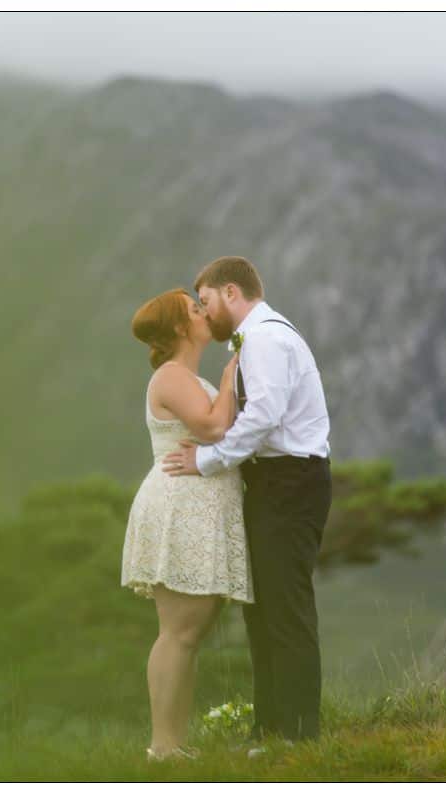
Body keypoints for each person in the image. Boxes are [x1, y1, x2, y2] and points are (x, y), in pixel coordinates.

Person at [162, 255, 332, 750]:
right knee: (263, 609)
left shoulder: (266, 338)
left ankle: (299, 735)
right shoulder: (255, 340)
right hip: (273, 483)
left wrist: (207, 460)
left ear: (232, 292)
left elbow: (263, 418)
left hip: (290, 482)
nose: (206, 312)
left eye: (208, 301)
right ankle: (272, 729)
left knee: (286, 608)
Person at [121, 287, 253, 762]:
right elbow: (214, 428)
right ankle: (163, 745)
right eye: (196, 310)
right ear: (180, 327)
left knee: (189, 633)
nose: (204, 314)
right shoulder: (172, 376)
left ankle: (173, 743)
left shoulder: (185, 377)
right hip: (180, 508)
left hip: (199, 507)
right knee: (178, 632)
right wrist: (230, 372)